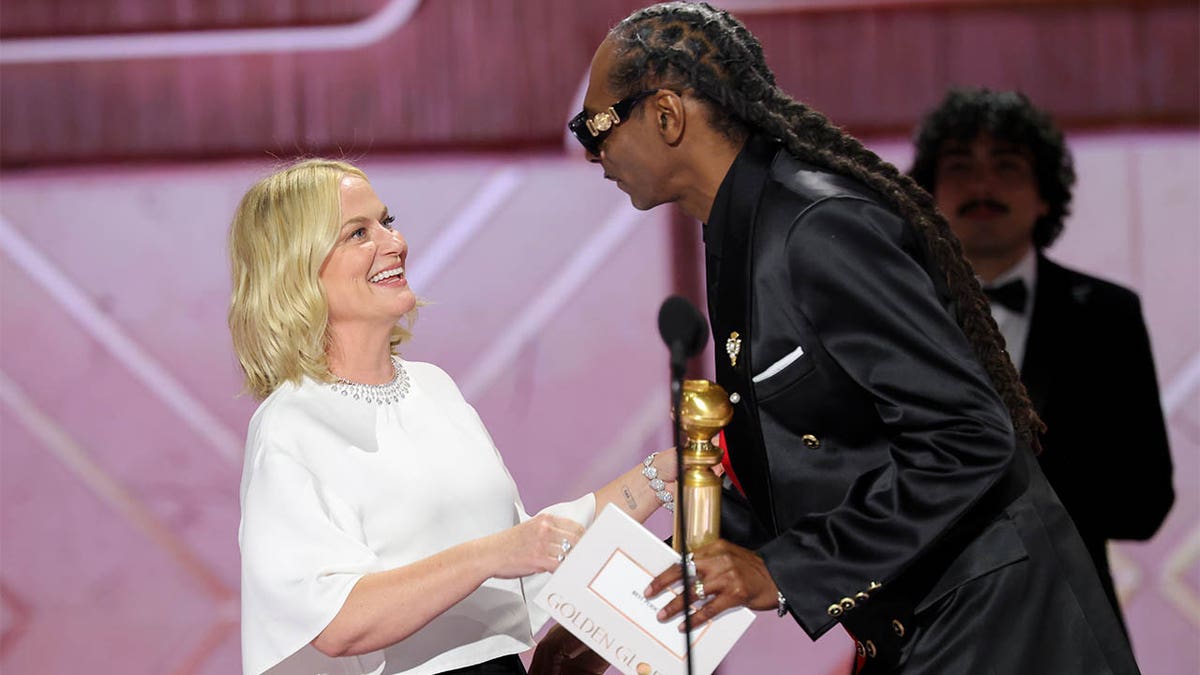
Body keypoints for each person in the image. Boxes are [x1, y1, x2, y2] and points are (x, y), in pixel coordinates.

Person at [545, 2, 1141, 673]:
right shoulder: (740, 224)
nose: (591, 149)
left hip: (1005, 628)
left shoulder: (816, 227)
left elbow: (968, 436)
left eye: (594, 124)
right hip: (922, 621)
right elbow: (806, 459)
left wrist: (780, 570)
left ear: (666, 114)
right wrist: (625, 614)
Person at [228, 158, 680, 675]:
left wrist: (657, 478)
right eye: (358, 233)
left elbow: (529, 557)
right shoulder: (289, 426)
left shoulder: (433, 388)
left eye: (387, 221)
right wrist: (492, 555)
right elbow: (332, 622)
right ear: (297, 270)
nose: (394, 243)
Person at [908, 87, 1174, 628]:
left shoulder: (1108, 315)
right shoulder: (893, 313)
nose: (983, 186)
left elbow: (1145, 501)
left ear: (1045, 194)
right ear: (929, 192)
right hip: (922, 627)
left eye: (1006, 167)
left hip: (1071, 624)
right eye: (960, 167)